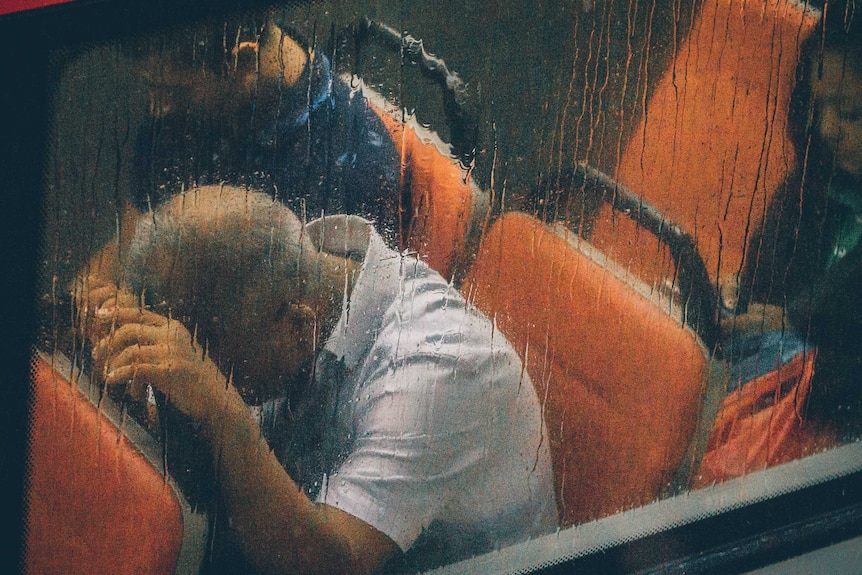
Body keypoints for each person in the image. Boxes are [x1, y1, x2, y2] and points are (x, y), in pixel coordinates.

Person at [84, 184, 557, 574]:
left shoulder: (438, 371)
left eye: (218, 367)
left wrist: (221, 408)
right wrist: (139, 384)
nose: (213, 376)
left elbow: (328, 563)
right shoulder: (288, 290)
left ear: (294, 324)